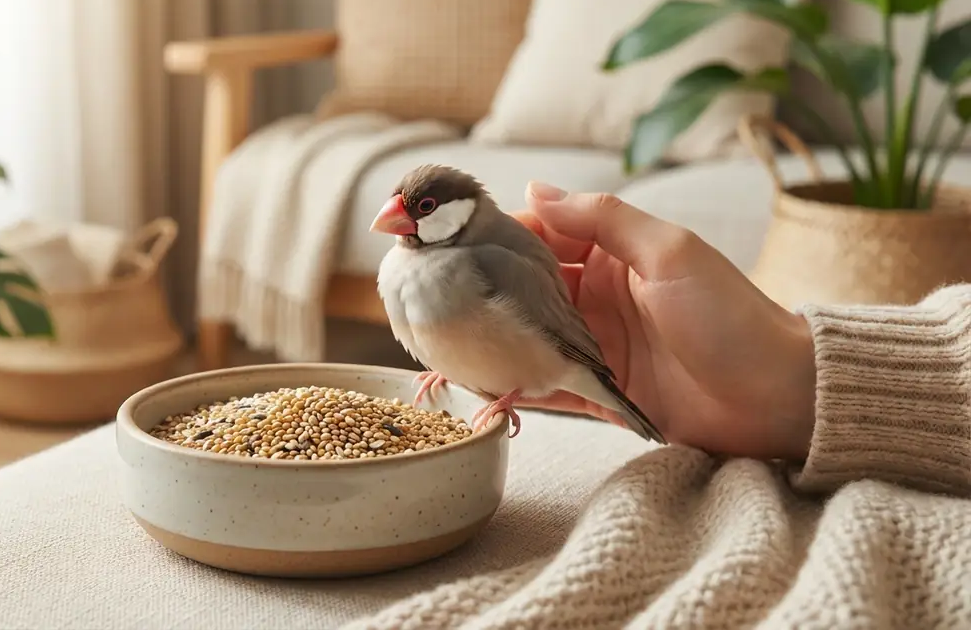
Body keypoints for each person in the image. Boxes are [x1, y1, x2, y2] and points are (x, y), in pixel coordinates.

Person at [345, 181, 971, 630]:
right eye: (403, 208)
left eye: (421, 208)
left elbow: (547, 341)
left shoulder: (485, 262)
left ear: (457, 214)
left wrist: (511, 393)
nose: (399, 219)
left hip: (552, 357)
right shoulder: (409, 267)